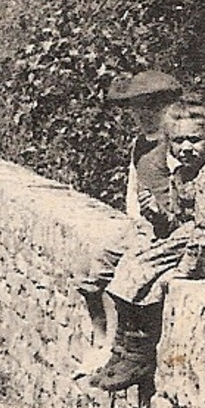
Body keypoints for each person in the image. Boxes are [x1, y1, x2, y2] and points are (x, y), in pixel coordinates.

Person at [86, 100, 205, 392]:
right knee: (133, 260)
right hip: (187, 240)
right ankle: (123, 350)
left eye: (195, 140)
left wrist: (184, 271)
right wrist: (157, 215)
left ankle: (137, 353)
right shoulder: (184, 173)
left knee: (144, 268)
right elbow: (176, 222)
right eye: (178, 141)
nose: (186, 147)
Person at [75, 70, 185, 348]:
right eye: (137, 110)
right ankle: (100, 332)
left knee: (130, 278)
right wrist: (135, 223)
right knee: (92, 271)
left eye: (151, 108)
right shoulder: (140, 145)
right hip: (142, 226)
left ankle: (125, 347)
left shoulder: (176, 146)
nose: (142, 116)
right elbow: (133, 190)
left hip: (168, 229)